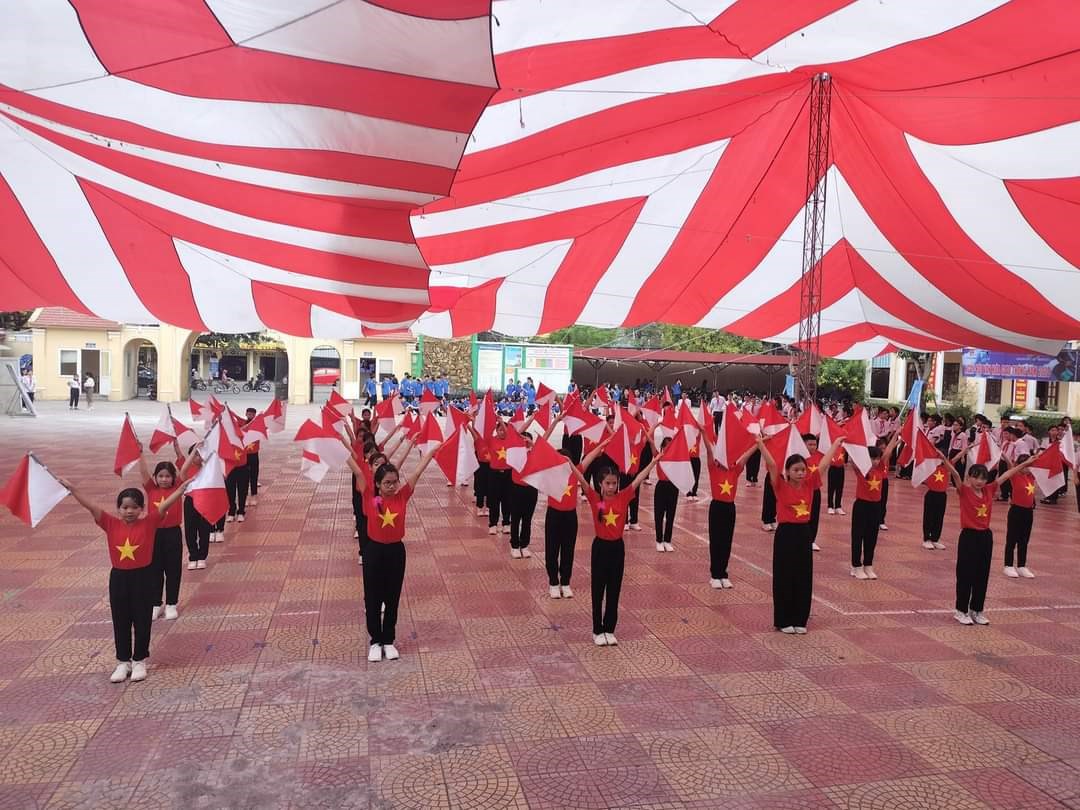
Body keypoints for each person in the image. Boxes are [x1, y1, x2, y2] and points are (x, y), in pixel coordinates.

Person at [58, 477, 190, 682]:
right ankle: (123, 662)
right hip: (119, 578)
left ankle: (139, 660)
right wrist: (73, 489)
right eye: (125, 507)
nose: (129, 511)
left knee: (142, 618)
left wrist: (180, 490)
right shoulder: (110, 523)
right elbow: (91, 507)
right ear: (118, 509)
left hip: (143, 578)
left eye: (135, 507)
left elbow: (164, 506)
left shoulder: (149, 522)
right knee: (121, 619)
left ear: (142, 509)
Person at [346, 438, 441, 662]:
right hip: (373, 551)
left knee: (392, 597)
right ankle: (375, 641)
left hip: (396, 552)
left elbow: (417, 472)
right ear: (378, 484)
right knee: (372, 597)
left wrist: (431, 452)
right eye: (387, 483)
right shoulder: (370, 496)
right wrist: (335, 445)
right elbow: (357, 469)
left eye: (394, 482)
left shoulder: (402, 495)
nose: (392, 486)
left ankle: (388, 640)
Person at [568, 455, 660, 646]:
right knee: (598, 589)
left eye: (614, 483)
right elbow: (582, 480)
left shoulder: (623, 496)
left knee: (614, 589)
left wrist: (653, 462)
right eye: (607, 483)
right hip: (600, 548)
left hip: (617, 548)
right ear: (600, 484)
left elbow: (638, 479)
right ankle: (597, 630)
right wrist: (570, 464)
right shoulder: (596, 499)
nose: (611, 487)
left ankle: (609, 629)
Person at [757, 432, 844, 634]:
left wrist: (835, 444)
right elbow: (772, 465)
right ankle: (784, 619)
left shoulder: (810, 484)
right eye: (796, 470)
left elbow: (823, 464)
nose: (800, 473)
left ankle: (800, 619)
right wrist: (761, 445)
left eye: (803, 470)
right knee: (784, 575)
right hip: (785, 534)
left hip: (804, 533)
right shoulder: (780, 485)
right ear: (787, 472)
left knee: (803, 575)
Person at [940, 454, 1035, 625]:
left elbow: (1007, 474)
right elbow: (954, 473)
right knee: (965, 574)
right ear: (969, 477)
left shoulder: (989, 490)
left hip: (985, 537)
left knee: (982, 575)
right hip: (969, 537)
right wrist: (943, 458)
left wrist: (1026, 464)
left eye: (983, 478)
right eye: (976, 477)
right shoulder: (964, 491)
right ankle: (961, 611)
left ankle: (977, 610)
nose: (980, 481)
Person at [544, 430, 612, 599]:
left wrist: (603, 444)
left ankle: (565, 582)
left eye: (567, 461)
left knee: (568, 550)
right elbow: (542, 449)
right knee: (552, 550)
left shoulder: (576, 473)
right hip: (553, 516)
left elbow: (590, 456)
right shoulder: (550, 473)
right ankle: (553, 582)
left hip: (570, 517)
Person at [139, 443, 198, 621]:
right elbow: (143, 472)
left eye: (167, 476)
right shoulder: (151, 489)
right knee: (154, 570)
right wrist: (140, 453)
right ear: (155, 478)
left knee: (173, 569)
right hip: (153, 534)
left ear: (173, 478)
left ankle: (171, 603)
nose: (164, 479)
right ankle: (155, 604)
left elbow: (185, 468)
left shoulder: (177, 487)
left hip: (173, 534)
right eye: (160, 476)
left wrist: (194, 451)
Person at [701, 435, 757, 589]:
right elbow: (709, 450)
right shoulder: (713, 468)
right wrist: (703, 433)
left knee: (727, 541)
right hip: (716, 508)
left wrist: (759, 443)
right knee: (716, 541)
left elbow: (746, 456)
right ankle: (715, 575)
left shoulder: (735, 470)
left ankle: (723, 573)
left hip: (730, 508)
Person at [850, 433, 900, 581]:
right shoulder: (862, 470)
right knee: (858, 536)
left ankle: (868, 565)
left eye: (877, 458)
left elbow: (888, 451)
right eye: (873, 458)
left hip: (875, 507)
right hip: (861, 506)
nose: (876, 461)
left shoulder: (880, 469)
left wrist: (896, 435)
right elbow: (853, 457)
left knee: (872, 536)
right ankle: (856, 566)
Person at [1003, 453, 1037, 578]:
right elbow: (1009, 463)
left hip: (1028, 512)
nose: (1027, 468)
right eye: (1024, 465)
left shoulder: (1032, 476)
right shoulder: (1015, 476)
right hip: (1016, 511)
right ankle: (1008, 565)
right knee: (1011, 539)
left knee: (1024, 540)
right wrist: (1003, 453)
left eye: (1029, 465)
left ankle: (1022, 566)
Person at [650, 435, 679, 552]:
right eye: (666, 446)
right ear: (662, 446)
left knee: (670, 516)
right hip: (661, 488)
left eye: (671, 446)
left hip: (673, 488)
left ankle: (667, 541)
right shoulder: (659, 456)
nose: (668, 448)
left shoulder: (677, 460)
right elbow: (651, 444)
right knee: (659, 516)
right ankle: (659, 541)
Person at [921, 456, 950, 551]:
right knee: (929, 516)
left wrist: (965, 451)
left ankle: (935, 539)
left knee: (939, 517)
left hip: (942, 495)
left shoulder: (946, 467)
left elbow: (956, 459)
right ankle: (926, 539)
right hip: (931, 494)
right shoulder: (930, 466)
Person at [244, 407, 261, 507]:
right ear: (246, 414)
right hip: (244, 455)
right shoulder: (242, 424)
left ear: (255, 415)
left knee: (254, 476)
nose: (250, 416)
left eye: (252, 414)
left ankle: (254, 496)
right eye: (249, 414)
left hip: (254, 454)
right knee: (244, 477)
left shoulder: (258, 425)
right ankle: (245, 496)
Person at [826, 446, 846, 515]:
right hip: (832, 468)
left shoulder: (844, 445)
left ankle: (838, 506)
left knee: (840, 488)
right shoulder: (831, 444)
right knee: (831, 488)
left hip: (841, 468)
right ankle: (830, 506)